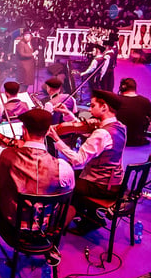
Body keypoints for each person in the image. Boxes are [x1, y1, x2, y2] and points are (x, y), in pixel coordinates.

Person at [0, 108, 75, 232]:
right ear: (47, 133)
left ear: (24, 130)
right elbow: (66, 194)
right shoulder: (62, 167)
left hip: (10, 226)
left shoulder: (4, 155)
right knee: (70, 209)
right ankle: (50, 243)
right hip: (44, 229)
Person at [54, 90, 127, 234]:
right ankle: (87, 215)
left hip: (101, 184)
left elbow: (78, 161)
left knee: (63, 181)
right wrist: (69, 115)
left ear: (104, 107)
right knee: (73, 176)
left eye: (93, 106)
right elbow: (83, 127)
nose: (89, 109)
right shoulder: (120, 126)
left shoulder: (102, 133)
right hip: (115, 180)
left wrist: (57, 140)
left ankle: (60, 225)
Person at [115, 77, 151, 146]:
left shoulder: (115, 100)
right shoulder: (145, 101)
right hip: (138, 142)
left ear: (121, 88)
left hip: (118, 140)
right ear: (135, 88)